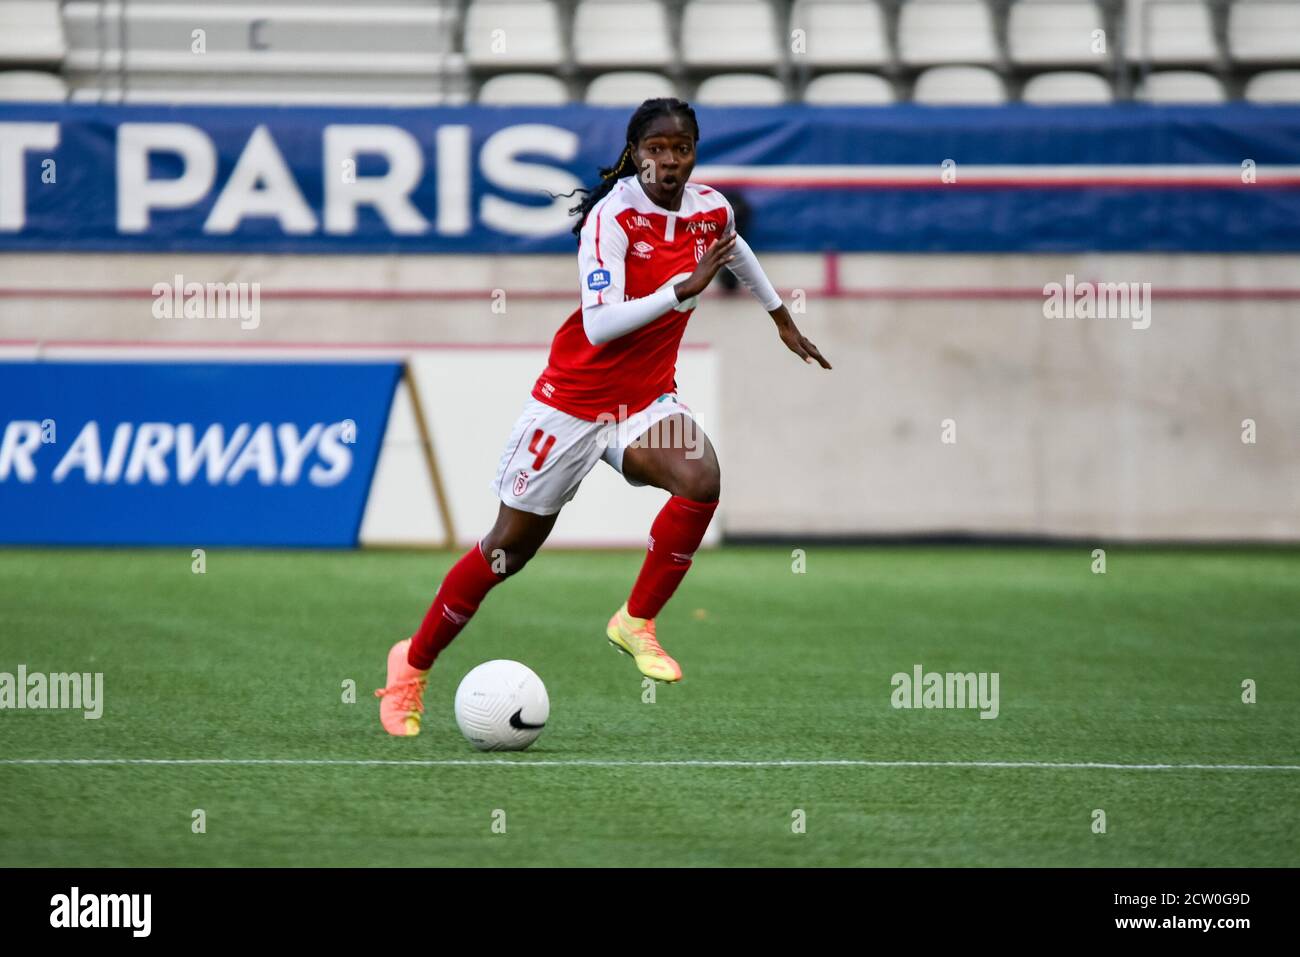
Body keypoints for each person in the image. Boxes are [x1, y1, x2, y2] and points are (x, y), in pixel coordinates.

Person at [377, 97, 830, 736]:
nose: (669, 162)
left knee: (702, 479)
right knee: (507, 550)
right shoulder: (613, 218)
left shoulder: (711, 210)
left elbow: (735, 250)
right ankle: (411, 666)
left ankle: (636, 621)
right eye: (656, 150)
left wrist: (778, 316)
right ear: (635, 153)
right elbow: (600, 323)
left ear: (694, 153)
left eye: (681, 149)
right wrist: (681, 288)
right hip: (571, 404)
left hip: (643, 402)